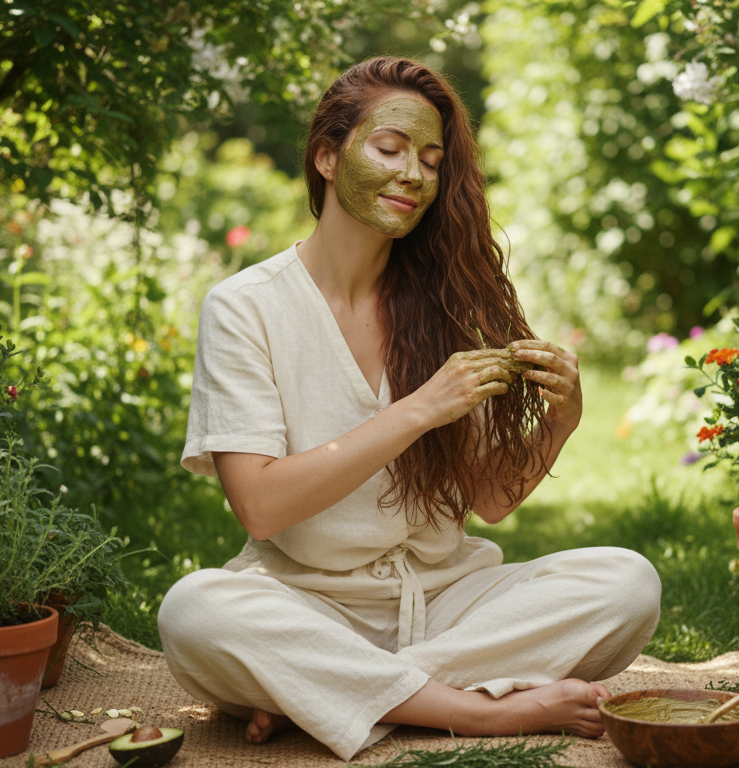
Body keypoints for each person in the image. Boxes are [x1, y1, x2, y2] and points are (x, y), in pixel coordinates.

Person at [158, 56, 661, 761]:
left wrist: (561, 421)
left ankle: (323, 696)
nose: (413, 176)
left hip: (450, 604)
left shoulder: (445, 305)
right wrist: (419, 410)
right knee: (195, 611)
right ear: (326, 156)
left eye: (430, 161)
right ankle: (474, 711)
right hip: (305, 604)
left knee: (628, 584)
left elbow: (490, 500)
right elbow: (261, 508)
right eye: (390, 149)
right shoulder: (245, 307)